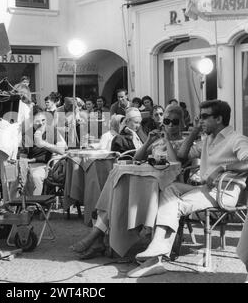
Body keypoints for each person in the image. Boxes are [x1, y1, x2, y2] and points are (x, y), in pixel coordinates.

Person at [133, 100, 248, 276]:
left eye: (204, 117)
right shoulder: (209, 140)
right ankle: (157, 251)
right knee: (169, 189)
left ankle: (156, 256)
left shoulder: (236, 139)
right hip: (206, 189)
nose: (199, 120)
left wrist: (223, 168)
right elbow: (182, 155)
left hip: (225, 193)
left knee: (175, 202)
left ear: (218, 119)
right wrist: (194, 131)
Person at [70, 105, 186, 260]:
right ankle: (96, 237)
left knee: (119, 194)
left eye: (175, 121)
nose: (170, 125)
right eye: (167, 121)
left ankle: (96, 236)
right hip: (145, 184)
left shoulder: (183, 142)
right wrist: (149, 141)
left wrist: (166, 140)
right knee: (117, 185)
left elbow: (175, 163)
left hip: (164, 189)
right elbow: (137, 159)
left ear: (182, 123)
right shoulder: (157, 140)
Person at [20, 108, 66, 195]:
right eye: (37, 121)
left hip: (45, 165)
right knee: (18, 178)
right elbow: (23, 158)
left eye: (43, 120)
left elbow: (62, 150)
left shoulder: (52, 131)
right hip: (30, 165)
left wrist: (43, 143)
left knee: (36, 176)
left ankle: (36, 203)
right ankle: (26, 203)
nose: (41, 123)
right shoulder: (28, 134)